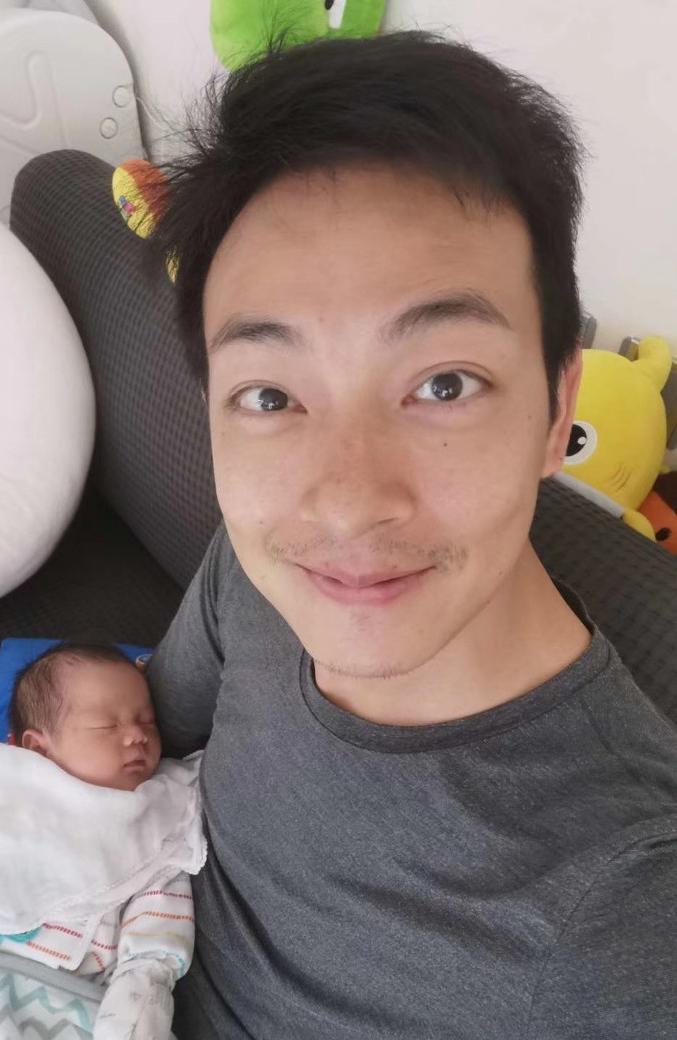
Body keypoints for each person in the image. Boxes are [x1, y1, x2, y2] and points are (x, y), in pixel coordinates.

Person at [143, 30, 677, 1039]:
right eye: (270, 395)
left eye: (444, 383)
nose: (345, 506)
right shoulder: (254, 572)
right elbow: (135, 743)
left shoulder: (629, 916)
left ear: (558, 409)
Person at [0, 642, 205, 1040]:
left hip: (62, 1004)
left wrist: (140, 995)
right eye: (107, 726)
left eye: (147, 722)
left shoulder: (158, 815)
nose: (137, 736)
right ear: (37, 747)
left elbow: (157, 922)